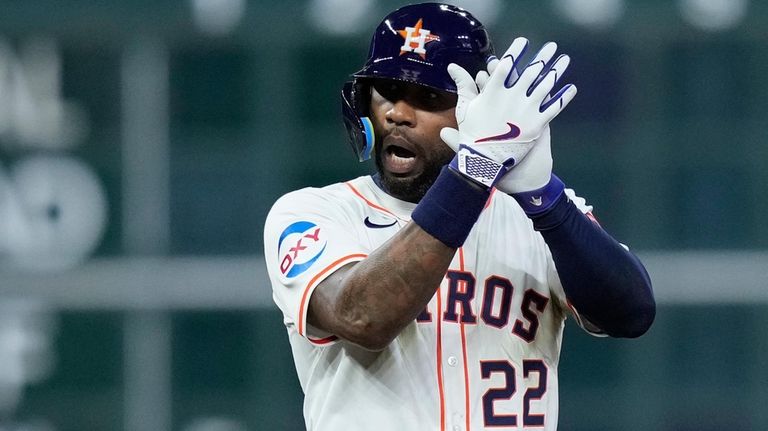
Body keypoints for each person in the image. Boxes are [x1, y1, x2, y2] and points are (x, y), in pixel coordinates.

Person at [263, 3, 655, 430]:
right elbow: (362, 318)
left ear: (476, 109)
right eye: (387, 92)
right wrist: (476, 168)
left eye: (428, 97)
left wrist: (545, 198)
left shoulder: (531, 217)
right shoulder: (314, 212)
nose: (398, 113)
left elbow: (631, 313)